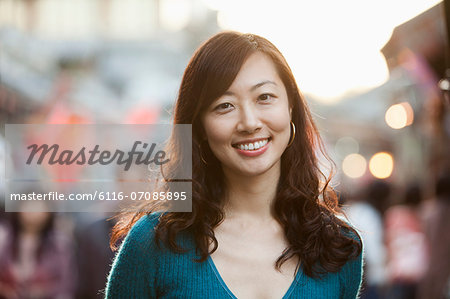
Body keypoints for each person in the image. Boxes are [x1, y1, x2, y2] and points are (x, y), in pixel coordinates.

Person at [105, 31, 363, 299]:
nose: (250, 122)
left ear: (290, 108)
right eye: (224, 105)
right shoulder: (153, 243)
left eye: (264, 97)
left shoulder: (339, 246)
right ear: (200, 127)